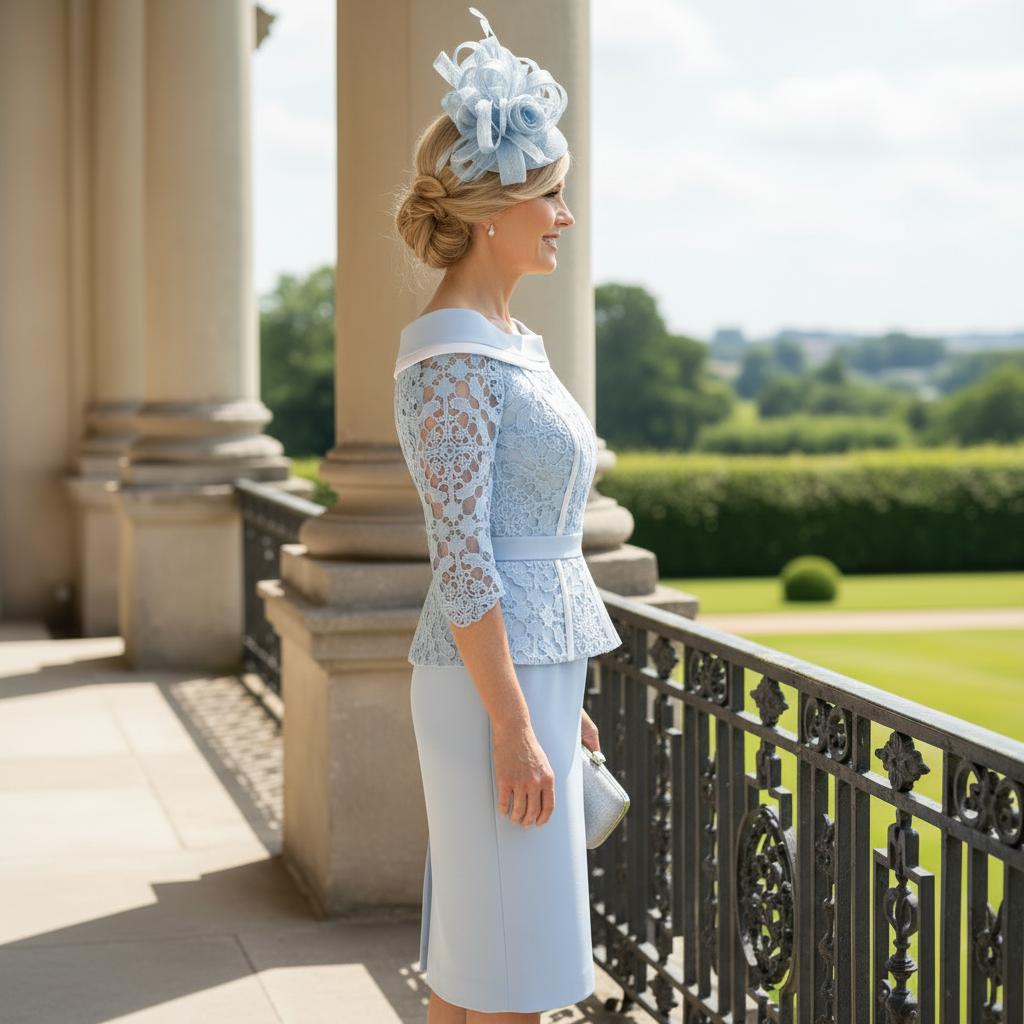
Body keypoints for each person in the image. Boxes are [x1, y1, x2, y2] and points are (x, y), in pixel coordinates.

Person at [391, 8, 622, 1021]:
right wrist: (514, 722)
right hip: (491, 692)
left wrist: (550, 694)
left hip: (523, 676)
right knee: (507, 978)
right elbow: (465, 558)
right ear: (496, 210)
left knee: (487, 969)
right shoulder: (450, 354)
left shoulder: (505, 338)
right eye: (552, 194)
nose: (565, 215)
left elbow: (532, 535)